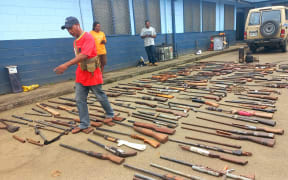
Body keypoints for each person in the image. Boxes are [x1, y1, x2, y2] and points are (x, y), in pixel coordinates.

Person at [54, 17, 120, 134]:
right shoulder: (75, 41)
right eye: (67, 29)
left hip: (92, 73)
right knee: (79, 99)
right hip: (81, 74)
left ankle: (110, 114)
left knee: (100, 95)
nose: (70, 31)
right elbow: (80, 58)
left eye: (71, 28)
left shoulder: (88, 37)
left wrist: (66, 64)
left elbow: (84, 55)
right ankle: (84, 123)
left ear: (77, 25)